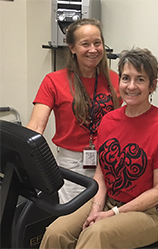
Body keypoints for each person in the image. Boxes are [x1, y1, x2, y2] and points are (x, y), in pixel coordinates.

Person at [39, 47, 158, 249]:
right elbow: (102, 173)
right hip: (108, 200)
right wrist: (96, 208)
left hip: (150, 212)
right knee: (55, 233)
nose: (131, 86)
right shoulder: (109, 120)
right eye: (126, 78)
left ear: (153, 86)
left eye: (140, 79)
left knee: (95, 234)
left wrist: (112, 214)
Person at [26, 18, 122, 203]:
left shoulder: (114, 80)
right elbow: (36, 126)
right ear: (72, 48)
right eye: (85, 44)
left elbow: (132, 117)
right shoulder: (53, 81)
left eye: (97, 43)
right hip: (73, 163)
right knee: (72, 218)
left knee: (103, 217)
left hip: (109, 159)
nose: (93, 49)